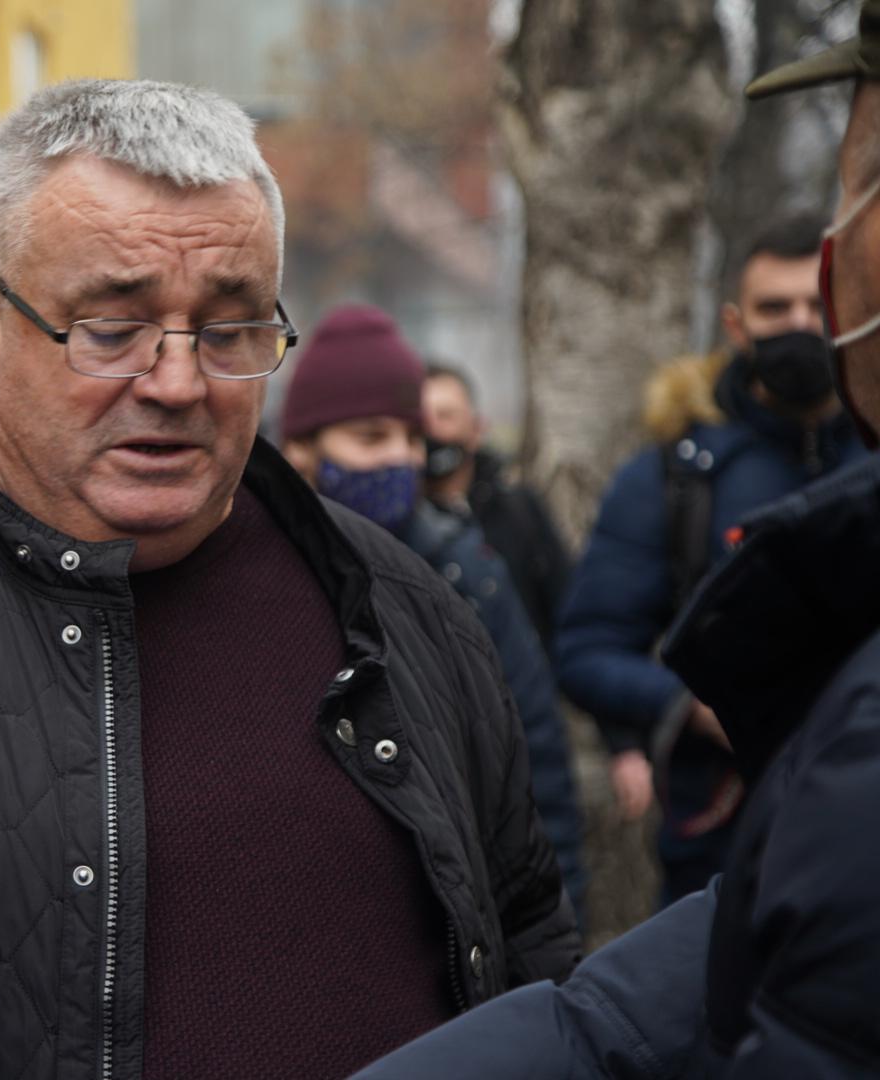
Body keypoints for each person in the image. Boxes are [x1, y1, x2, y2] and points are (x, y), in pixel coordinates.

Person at [0, 79, 579, 1080]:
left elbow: (527, 947)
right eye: (112, 329)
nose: (178, 383)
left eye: (231, 329)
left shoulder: (408, 615)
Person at [348, 9, 880, 1074]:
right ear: (733, 321)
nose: (808, 308)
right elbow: (634, 1016)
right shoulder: (671, 479)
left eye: (856, 184)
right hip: (703, 849)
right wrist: (676, 714)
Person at [554, 213, 866, 902]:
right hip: (731, 849)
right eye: (774, 308)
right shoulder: (675, 477)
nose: (798, 323)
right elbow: (586, 647)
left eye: (817, 302)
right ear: (734, 324)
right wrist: (695, 706)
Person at [280, 304, 585, 916]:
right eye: (371, 437)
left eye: (413, 437)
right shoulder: (261, 576)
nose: (402, 458)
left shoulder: (465, 572)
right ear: (301, 450)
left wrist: (557, 924)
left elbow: (535, 768)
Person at [422, 363, 573, 654]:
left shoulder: (517, 509)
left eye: (445, 416)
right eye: (422, 419)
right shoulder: (403, 525)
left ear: (477, 429)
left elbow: (564, 606)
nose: (432, 430)